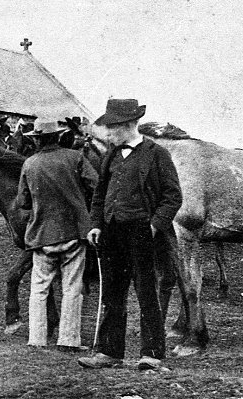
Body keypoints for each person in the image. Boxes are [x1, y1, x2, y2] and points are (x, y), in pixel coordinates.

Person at [79, 99, 183, 371]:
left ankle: (152, 354)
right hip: (112, 232)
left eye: (111, 128)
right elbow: (100, 194)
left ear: (127, 125)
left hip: (143, 233)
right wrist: (96, 224)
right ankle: (109, 352)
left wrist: (154, 225)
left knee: (147, 292)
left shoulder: (157, 154)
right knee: (113, 292)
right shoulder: (112, 155)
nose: (108, 133)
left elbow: (173, 197)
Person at [17, 119, 98, 352]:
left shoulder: (30, 164)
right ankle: (69, 340)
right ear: (59, 136)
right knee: (72, 288)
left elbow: (22, 202)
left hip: (41, 234)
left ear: (36, 138)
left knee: (39, 289)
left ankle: (37, 338)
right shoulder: (75, 158)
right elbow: (96, 185)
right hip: (74, 232)